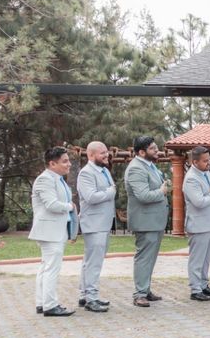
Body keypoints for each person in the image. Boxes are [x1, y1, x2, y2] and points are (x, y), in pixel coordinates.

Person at [30, 146, 78, 317]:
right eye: (65, 161)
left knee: (46, 267)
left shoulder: (57, 179)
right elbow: (52, 205)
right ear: (52, 163)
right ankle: (50, 305)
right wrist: (70, 206)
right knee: (51, 268)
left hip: (54, 230)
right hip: (49, 231)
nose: (69, 164)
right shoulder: (45, 180)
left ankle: (42, 303)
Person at [124, 135, 170, 308]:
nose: (156, 150)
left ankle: (145, 289)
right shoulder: (136, 168)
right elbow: (143, 196)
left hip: (155, 220)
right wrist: (162, 192)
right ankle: (139, 294)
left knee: (150, 258)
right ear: (141, 152)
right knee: (143, 257)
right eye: (152, 148)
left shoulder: (150, 166)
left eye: (156, 147)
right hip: (145, 221)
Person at [76, 141, 115, 313]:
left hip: (103, 223)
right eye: (102, 153)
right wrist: (110, 192)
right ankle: (92, 298)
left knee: (89, 261)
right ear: (91, 155)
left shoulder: (105, 170)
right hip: (94, 224)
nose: (106, 155)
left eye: (106, 152)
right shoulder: (86, 173)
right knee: (94, 263)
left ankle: (84, 295)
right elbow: (90, 197)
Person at [183, 146, 210, 301]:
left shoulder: (205, 174)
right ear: (195, 161)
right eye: (205, 161)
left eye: (209, 159)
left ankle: (204, 284)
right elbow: (199, 201)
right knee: (197, 259)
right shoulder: (191, 178)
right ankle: (195, 289)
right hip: (198, 225)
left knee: (206, 258)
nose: (209, 163)